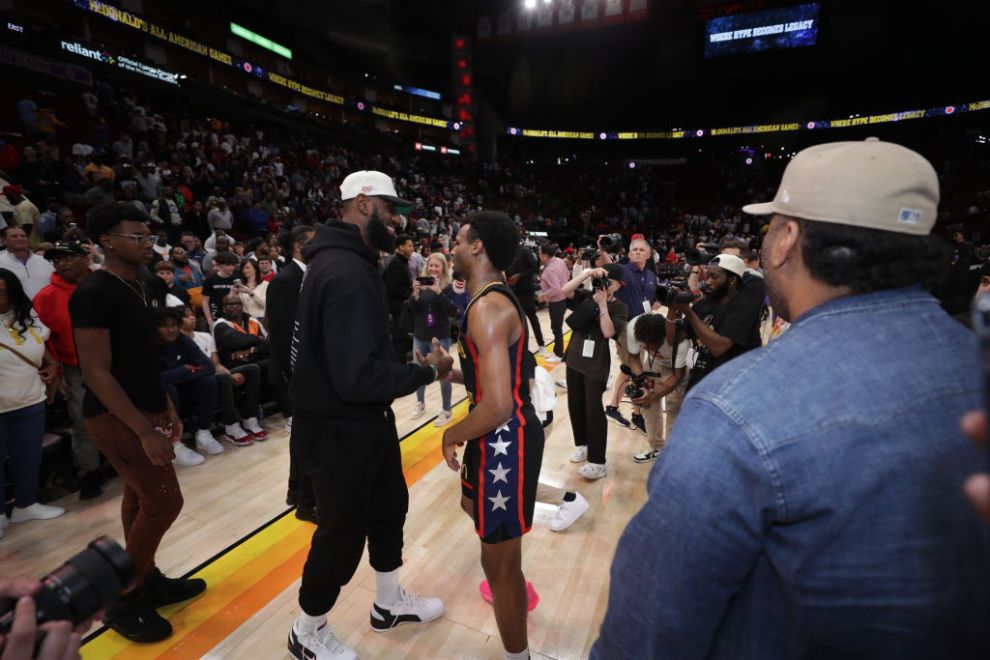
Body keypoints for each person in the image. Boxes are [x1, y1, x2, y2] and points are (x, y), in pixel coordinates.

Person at [593, 139, 990, 659]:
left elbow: (647, 635)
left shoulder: (735, 410)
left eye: (771, 227)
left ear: (787, 240)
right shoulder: (974, 361)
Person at [287, 170, 451, 660]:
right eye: (391, 209)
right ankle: (307, 628)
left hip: (361, 422)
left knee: (387, 509)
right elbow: (356, 379)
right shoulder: (347, 273)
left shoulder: (344, 263)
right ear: (362, 204)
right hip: (340, 428)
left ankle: (387, 603)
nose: (399, 220)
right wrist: (426, 373)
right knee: (340, 535)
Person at [69, 202, 205, 643]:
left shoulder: (140, 285)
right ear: (107, 241)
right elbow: (96, 372)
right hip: (116, 416)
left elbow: (144, 357)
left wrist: (164, 404)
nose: (148, 244)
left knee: (140, 494)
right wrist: (144, 430)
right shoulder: (93, 293)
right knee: (164, 502)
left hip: (144, 409)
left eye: (150, 237)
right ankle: (124, 599)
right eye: (137, 237)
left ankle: (143, 578)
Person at [440, 211, 546, 660]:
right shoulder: (492, 299)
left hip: (505, 441)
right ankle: (510, 580)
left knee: (500, 566)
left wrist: (451, 432)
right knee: (477, 517)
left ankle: (517, 655)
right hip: (500, 437)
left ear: (478, 246)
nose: (453, 248)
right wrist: (451, 371)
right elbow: (495, 381)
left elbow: (499, 404)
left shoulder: (486, 308)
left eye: (460, 240)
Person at [33, 241, 104, 499]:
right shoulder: (45, 297)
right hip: (75, 369)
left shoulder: (105, 284)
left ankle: (133, 462)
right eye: (56, 260)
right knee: (84, 421)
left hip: (114, 362)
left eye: (66, 258)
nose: (61, 263)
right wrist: (56, 371)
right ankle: (90, 473)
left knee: (126, 412)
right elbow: (41, 339)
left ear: (85, 259)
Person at [0, 268, 63, 540]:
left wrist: (51, 365)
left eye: (2, 292)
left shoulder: (27, 315)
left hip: (30, 398)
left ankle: (26, 505)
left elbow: (42, 343)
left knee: (28, 457)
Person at [266, 226, 317, 522]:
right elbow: (282, 336)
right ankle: (304, 500)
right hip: (294, 373)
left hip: (306, 373)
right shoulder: (285, 280)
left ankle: (297, 491)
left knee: (303, 434)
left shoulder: (307, 276)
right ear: (298, 246)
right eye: (313, 242)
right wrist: (294, 376)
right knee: (306, 435)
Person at [558, 265, 628, 479]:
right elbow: (564, 291)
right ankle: (583, 445)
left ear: (618, 285)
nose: (606, 286)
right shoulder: (587, 296)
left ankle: (598, 462)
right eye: (604, 280)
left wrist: (603, 305)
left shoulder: (620, 307)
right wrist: (588, 273)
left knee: (593, 409)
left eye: (610, 282)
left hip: (596, 364)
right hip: (575, 358)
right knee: (575, 405)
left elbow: (608, 332)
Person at [668, 253, 763, 390]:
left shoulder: (745, 307)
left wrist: (688, 312)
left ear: (732, 280)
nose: (707, 282)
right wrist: (672, 307)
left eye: (714, 277)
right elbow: (673, 339)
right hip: (701, 381)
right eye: (707, 276)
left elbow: (719, 348)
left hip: (730, 388)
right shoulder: (702, 305)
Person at [155, 307, 225, 464]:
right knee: (167, 388)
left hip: (184, 389)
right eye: (164, 326)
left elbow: (208, 367)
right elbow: (153, 379)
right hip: (161, 396)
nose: (171, 329)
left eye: (174, 325)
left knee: (209, 382)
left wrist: (177, 377)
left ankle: (203, 433)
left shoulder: (183, 340)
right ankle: (174, 443)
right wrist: (182, 370)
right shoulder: (150, 346)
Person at [178, 305, 256, 447]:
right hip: (198, 380)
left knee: (252, 369)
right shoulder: (177, 343)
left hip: (215, 373)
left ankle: (250, 417)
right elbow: (193, 369)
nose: (192, 317)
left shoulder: (206, 336)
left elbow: (216, 364)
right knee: (224, 378)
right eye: (187, 315)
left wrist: (229, 374)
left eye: (192, 314)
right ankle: (231, 425)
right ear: (178, 321)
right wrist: (228, 376)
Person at [605, 237, 657, 433]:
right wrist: (604, 249)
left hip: (643, 328)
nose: (636, 252)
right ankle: (637, 413)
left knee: (628, 369)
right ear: (628, 254)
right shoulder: (622, 271)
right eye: (633, 249)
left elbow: (651, 299)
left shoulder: (651, 275)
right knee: (637, 370)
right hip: (625, 328)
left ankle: (613, 407)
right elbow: (607, 266)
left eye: (640, 249)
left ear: (648, 254)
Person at [626, 311, 691, 463]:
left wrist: (655, 394)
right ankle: (657, 447)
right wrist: (639, 379)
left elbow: (677, 376)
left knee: (673, 407)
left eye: (652, 347)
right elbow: (634, 357)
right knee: (647, 404)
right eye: (644, 346)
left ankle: (671, 451)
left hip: (679, 369)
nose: (647, 348)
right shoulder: (633, 328)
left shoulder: (680, 340)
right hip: (654, 366)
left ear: (663, 337)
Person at [406, 252, 458, 425]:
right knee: (418, 371)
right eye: (431, 265)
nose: (433, 268)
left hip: (439, 337)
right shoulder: (421, 283)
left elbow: (452, 311)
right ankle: (420, 403)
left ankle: (446, 409)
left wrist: (438, 293)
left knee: (444, 374)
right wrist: (415, 294)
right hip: (420, 335)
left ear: (443, 267)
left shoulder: (449, 286)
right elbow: (413, 308)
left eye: (437, 265)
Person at [506, 245, 546, 356]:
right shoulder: (505, 251)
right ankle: (519, 348)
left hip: (526, 291)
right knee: (516, 322)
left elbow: (534, 268)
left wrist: (520, 275)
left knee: (532, 318)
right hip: (512, 291)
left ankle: (541, 345)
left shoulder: (524, 251)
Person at [383, 233, 415, 360]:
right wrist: (409, 291)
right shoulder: (396, 263)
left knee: (402, 337)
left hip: (402, 305)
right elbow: (392, 287)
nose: (412, 248)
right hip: (397, 307)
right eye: (409, 246)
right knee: (399, 338)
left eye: (412, 246)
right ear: (400, 247)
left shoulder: (403, 262)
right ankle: (399, 364)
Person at [0, 226, 54, 300]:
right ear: (3, 241)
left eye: (23, 236)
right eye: (14, 236)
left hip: (47, 308)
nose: (20, 238)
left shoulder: (45, 260)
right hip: (15, 309)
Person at [536, 243, 568, 362]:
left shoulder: (550, 269)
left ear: (545, 255)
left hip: (557, 301)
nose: (539, 256)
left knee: (556, 328)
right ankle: (558, 351)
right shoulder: (560, 261)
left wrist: (544, 296)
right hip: (564, 298)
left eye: (540, 254)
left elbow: (555, 289)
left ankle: (558, 354)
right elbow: (567, 275)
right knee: (557, 327)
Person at [202, 251, 240, 326]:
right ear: (220, 265)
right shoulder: (211, 279)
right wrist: (209, 319)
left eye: (233, 265)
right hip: (215, 317)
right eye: (228, 265)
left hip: (232, 317)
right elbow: (205, 301)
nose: (231, 267)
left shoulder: (236, 278)